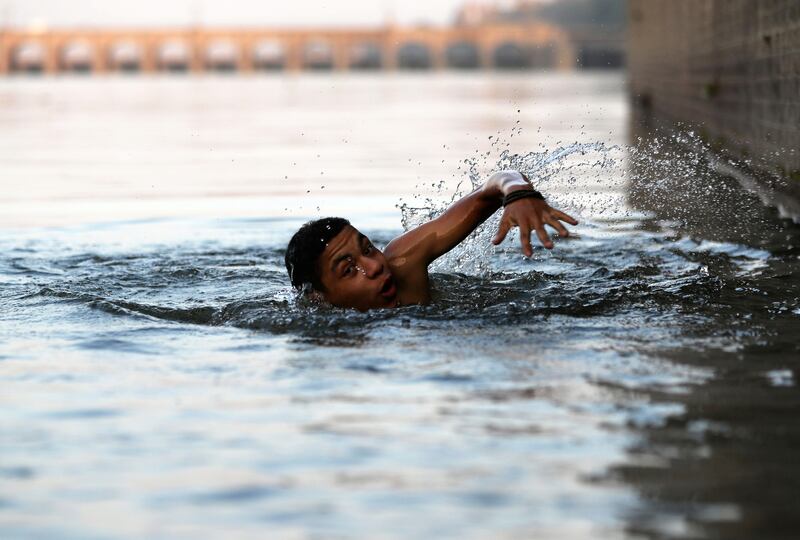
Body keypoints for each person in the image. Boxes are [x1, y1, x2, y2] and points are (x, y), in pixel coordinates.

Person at [284, 170, 578, 311]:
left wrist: (518, 193)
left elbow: (496, 185)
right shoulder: (327, 335)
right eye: (349, 269)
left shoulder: (403, 263)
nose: (374, 266)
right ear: (318, 298)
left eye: (368, 249)